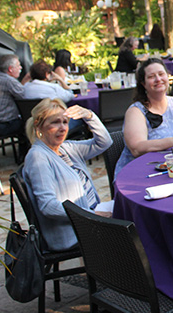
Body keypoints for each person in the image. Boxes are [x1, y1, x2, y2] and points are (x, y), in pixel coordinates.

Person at [23, 98, 112, 251]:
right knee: (132, 228)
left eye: (65, 122)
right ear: (39, 125)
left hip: (88, 219)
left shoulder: (65, 148)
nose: (63, 128)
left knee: (131, 215)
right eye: (55, 122)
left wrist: (89, 116)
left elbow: (104, 142)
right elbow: (48, 206)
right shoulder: (38, 157)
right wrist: (91, 215)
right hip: (73, 232)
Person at [0, 55, 28, 156]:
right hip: (1, 125)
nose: (20, 68)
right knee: (29, 124)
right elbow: (25, 96)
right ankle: (23, 157)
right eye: (18, 65)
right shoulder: (8, 81)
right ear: (10, 69)